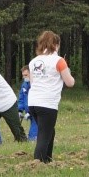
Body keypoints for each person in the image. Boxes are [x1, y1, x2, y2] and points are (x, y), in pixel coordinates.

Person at [26, 31, 76, 163]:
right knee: (44, 135)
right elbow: (70, 83)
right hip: (47, 103)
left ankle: (48, 160)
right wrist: (67, 71)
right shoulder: (59, 60)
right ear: (56, 44)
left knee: (48, 131)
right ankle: (38, 163)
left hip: (33, 102)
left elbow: (32, 82)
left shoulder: (33, 61)